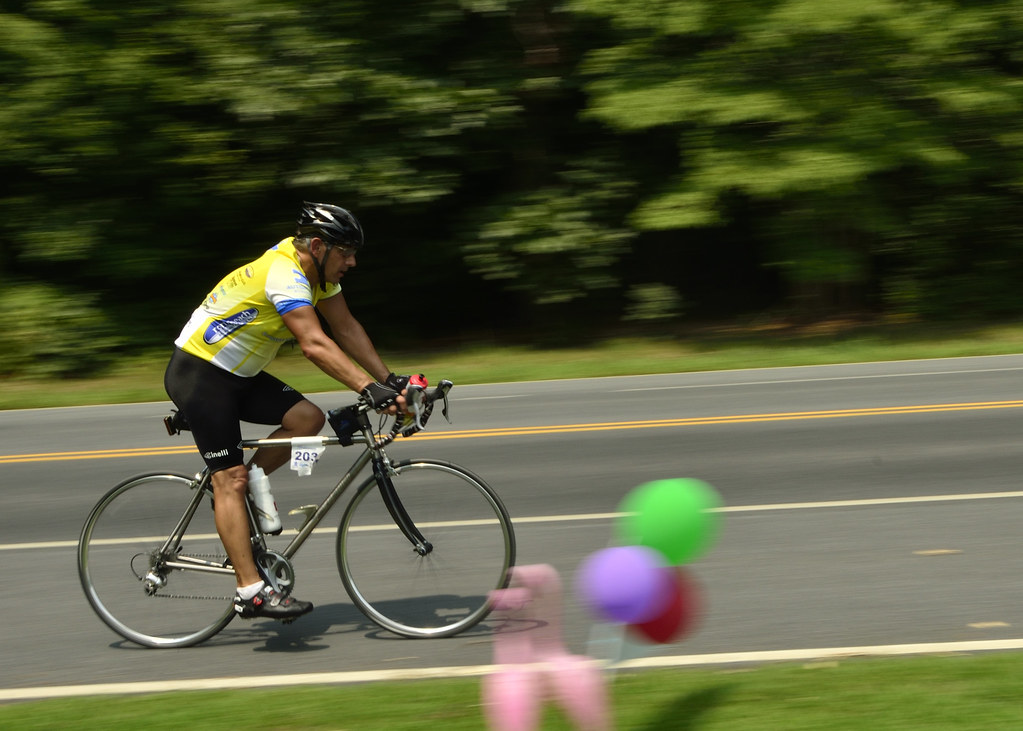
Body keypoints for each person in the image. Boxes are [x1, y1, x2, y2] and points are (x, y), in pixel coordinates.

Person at [164, 202, 408, 621]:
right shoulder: (284, 274)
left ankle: (246, 498)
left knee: (307, 420)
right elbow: (314, 343)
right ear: (318, 245)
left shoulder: (319, 275)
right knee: (231, 479)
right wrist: (369, 390)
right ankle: (249, 591)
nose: (352, 261)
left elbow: (345, 328)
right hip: (200, 373)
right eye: (346, 251)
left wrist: (391, 382)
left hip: (240, 375)